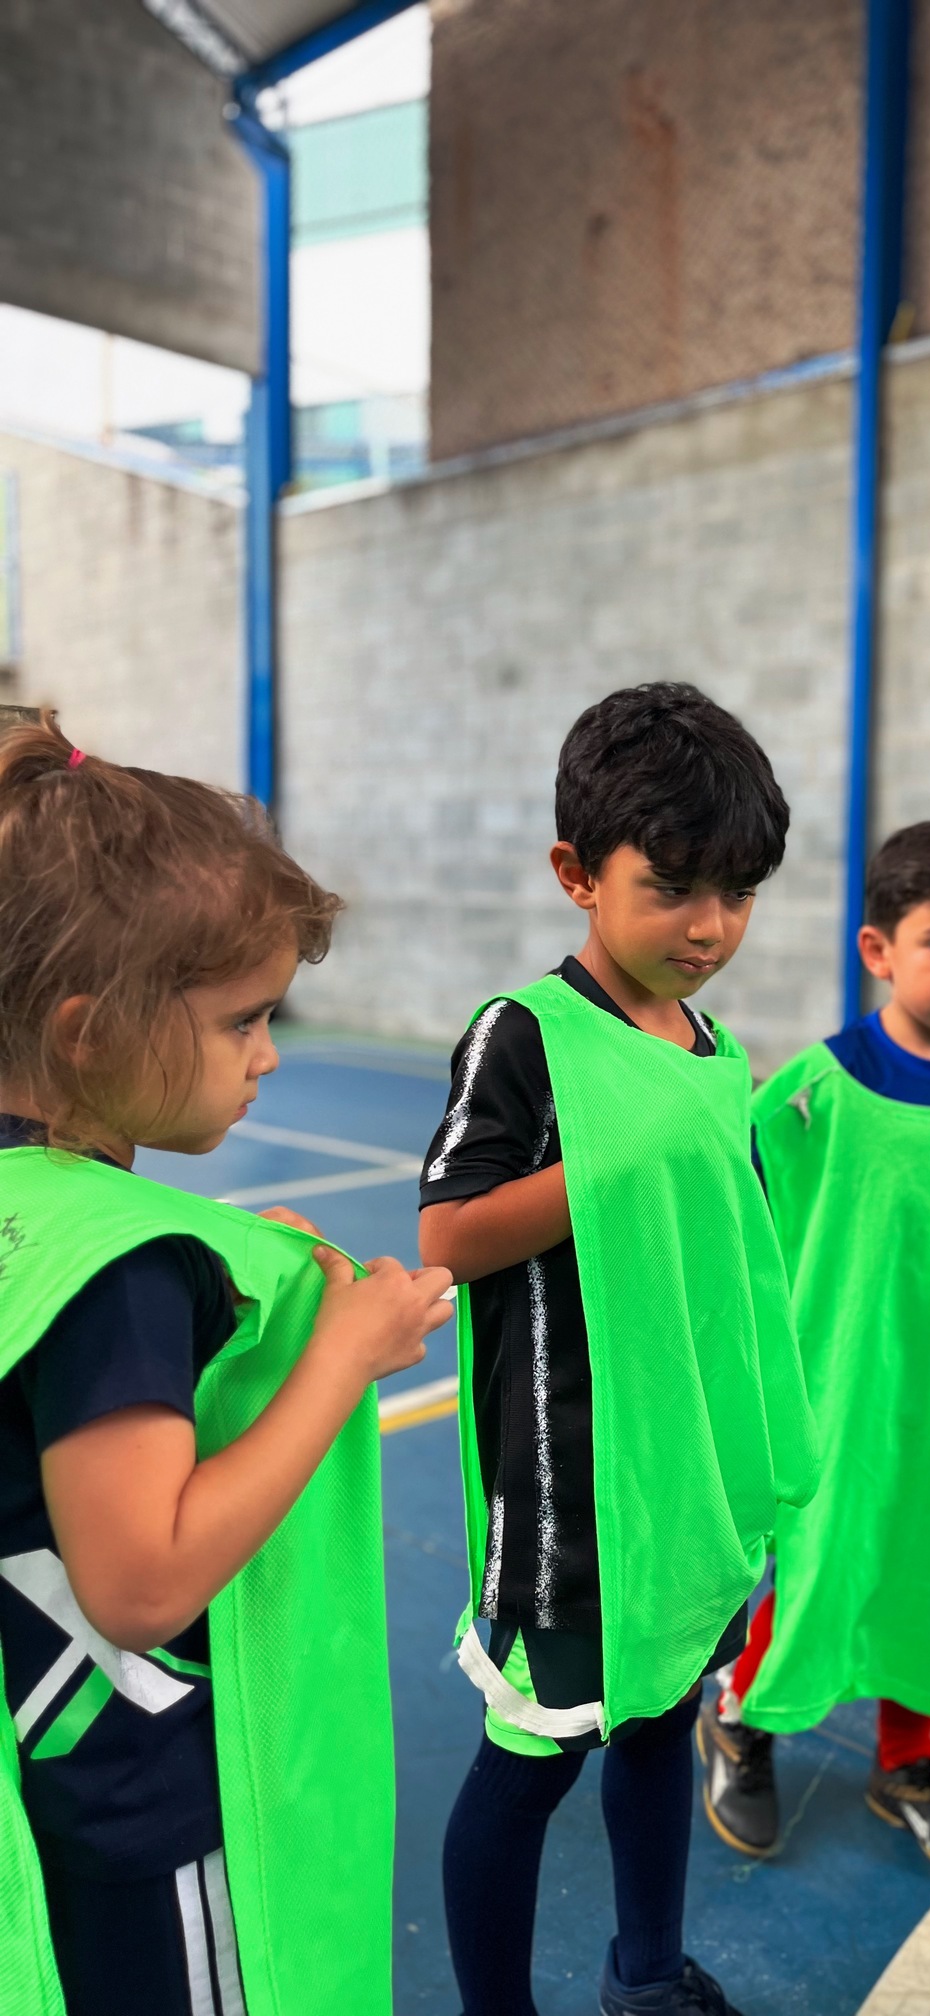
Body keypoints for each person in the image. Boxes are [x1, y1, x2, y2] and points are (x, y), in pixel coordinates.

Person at [0, 715, 454, 2016]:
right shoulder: (123, 1272)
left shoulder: (43, 1208)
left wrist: (213, 1247)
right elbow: (141, 1580)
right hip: (134, 1807)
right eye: (242, 1021)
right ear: (89, 1031)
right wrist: (346, 1357)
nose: (266, 1057)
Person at [418, 683, 818, 2016]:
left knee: (657, 1724)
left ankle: (646, 1973)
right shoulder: (525, 1033)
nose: (710, 928)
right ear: (577, 874)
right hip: (570, 1495)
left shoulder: (711, 1044)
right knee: (528, 1770)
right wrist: (616, 1163)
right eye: (674, 889)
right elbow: (452, 1233)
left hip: (682, 1481)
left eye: (740, 894)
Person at [699, 822, 930, 1879]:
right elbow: (737, 1219)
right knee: (820, 1556)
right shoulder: (815, 1091)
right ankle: (745, 1720)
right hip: (831, 1385)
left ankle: (909, 1758)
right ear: (878, 949)